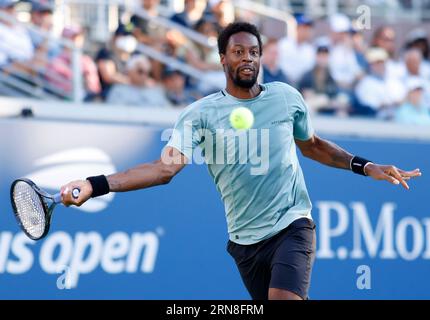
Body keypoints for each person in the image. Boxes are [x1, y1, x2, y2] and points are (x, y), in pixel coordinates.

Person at [60, 22, 421, 300]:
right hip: (245, 242)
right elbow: (162, 170)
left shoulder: (286, 98)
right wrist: (95, 184)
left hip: (293, 224)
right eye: (237, 51)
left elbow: (311, 145)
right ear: (223, 59)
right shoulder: (199, 115)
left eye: (253, 52)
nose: (247, 58)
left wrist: (365, 165)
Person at [106, 54, 171, 107]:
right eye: (140, 71)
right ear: (129, 71)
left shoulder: (156, 92)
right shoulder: (118, 91)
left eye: (147, 72)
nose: (144, 75)